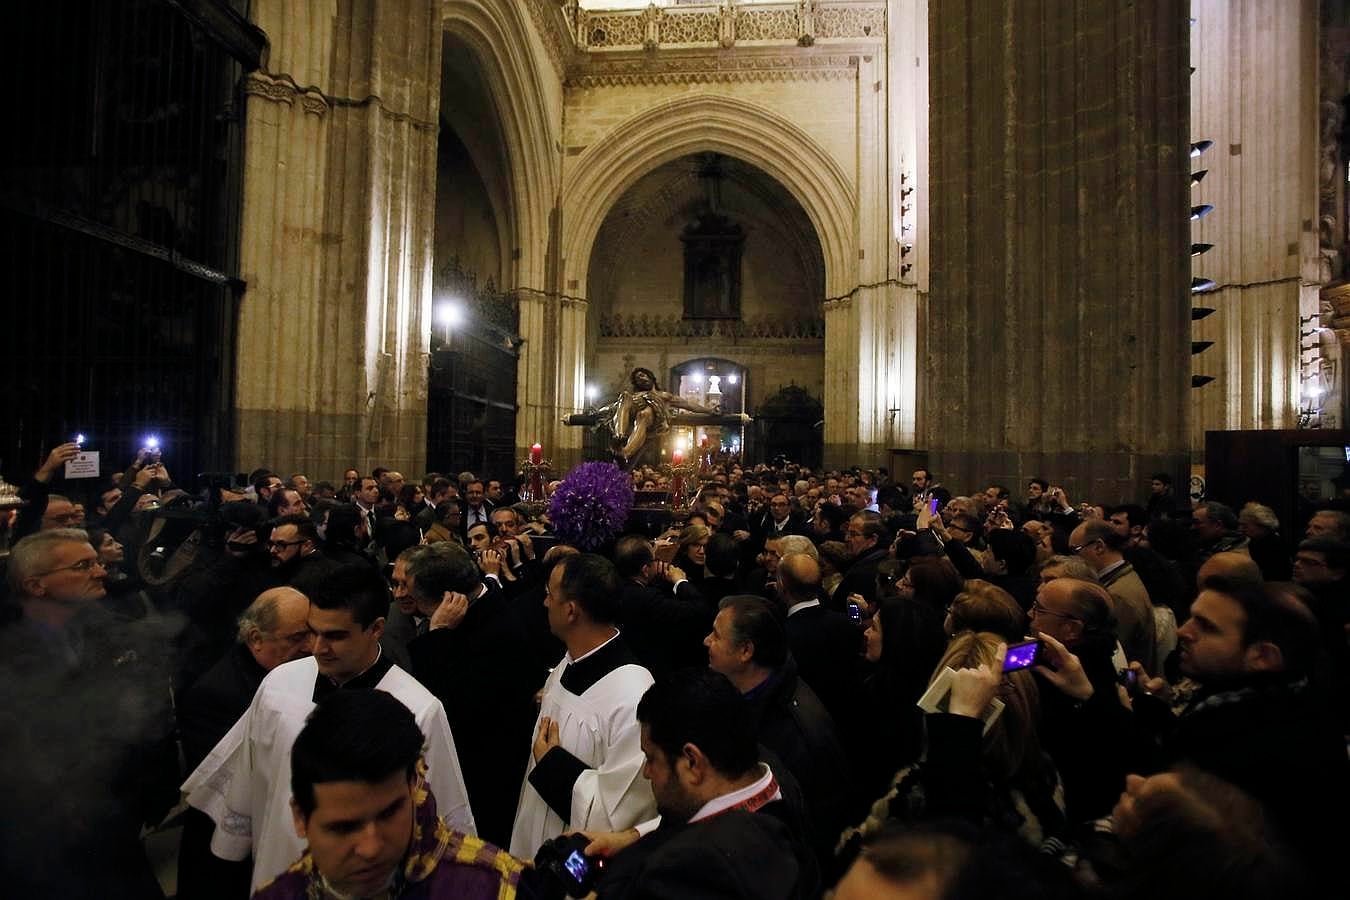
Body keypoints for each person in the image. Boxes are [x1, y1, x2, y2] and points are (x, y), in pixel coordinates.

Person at [183, 564, 476, 892]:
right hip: (279, 868)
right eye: (312, 632)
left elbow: (445, 821)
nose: (319, 647)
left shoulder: (419, 708)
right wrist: (230, 854)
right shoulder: (279, 684)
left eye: (336, 635)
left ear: (376, 628)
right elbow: (248, 780)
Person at [1129, 577, 1350, 883]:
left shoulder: (1260, 742)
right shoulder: (1271, 699)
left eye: (1206, 626)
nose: (1183, 631)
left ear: (1263, 656)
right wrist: (1152, 707)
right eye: (1192, 616)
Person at [0, 529, 175, 899]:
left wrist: (154, 793)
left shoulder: (119, 635)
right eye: (83, 565)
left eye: (96, 562)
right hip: (38, 836)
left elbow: (150, 720)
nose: (100, 572)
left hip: (116, 821)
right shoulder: (9, 654)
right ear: (36, 585)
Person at [255, 690, 531, 900]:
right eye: (343, 827)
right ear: (300, 817)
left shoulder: (494, 887)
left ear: (413, 787)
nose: (372, 848)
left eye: (389, 813)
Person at [584, 669, 817, 900]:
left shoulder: (681, 874)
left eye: (652, 758)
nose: (646, 772)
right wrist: (632, 836)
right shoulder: (773, 778)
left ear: (692, 762)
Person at [510, 553, 657, 858]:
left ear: (571, 610)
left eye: (550, 595)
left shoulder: (633, 695)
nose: (545, 603)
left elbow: (619, 816)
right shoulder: (569, 661)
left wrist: (553, 767)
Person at [177, 587, 314, 900]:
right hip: (229, 858)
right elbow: (230, 785)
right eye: (297, 638)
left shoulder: (291, 673)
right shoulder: (214, 695)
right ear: (256, 639)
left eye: (313, 633)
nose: (311, 646)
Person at [404, 542, 540, 848]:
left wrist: (436, 633)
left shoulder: (492, 633)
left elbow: (445, 705)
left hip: (486, 777)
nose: (404, 598)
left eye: (415, 597)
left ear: (448, 599)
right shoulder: (486, 608)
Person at [706, 594, 850, 865]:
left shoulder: (798, 735)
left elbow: (809, 831)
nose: (706, 641)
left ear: (746, 651)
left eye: (715, 635)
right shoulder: (745, 695)